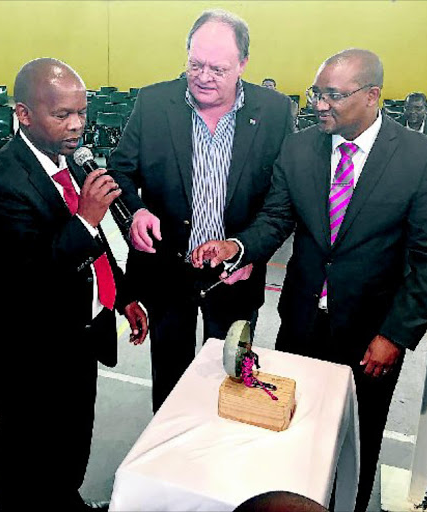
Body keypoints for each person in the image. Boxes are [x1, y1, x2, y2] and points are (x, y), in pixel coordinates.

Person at [191, 49, 427, 511]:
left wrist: (395, 334)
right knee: (294, 433)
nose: (320, 104)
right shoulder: (299, 148)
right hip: (301, 322)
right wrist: (238, 248)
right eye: (318, 93)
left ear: (372, 96)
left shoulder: (422, 158)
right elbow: (276, 218)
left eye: (334, 95)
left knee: (357, 437)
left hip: (371, 337)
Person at [0, 58, 148, 512]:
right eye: (62, 115)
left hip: (76, 340)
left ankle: (65, 496)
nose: (76, 126)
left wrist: (121, 295)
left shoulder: (64, 161)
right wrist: (87, 217)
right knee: (26, 462)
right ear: (24, 114)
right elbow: (28, 279)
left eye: (82, 113)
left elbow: (96, 246)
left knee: (70, 446)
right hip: (27, 355)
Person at [108, 9, 293, 412]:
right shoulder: (154, 102)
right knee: (170, 380)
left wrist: (247, 251)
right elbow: (120, 169)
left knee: (228, 379)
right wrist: (134, 211)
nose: (204, 76)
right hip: (166, 270)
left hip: (234, 274)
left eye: (218, 68)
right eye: (195, 64)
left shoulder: (276, 112)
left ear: (243, 64)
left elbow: (281, 200)